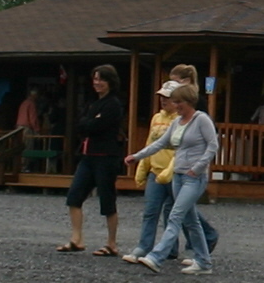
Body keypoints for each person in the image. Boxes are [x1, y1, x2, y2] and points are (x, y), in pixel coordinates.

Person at [124, 74, 220, 275]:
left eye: (178, 102)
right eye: (174, 102)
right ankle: (204, 262)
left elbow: (213, 146)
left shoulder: (201, 119)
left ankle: (156, 256)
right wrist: (137, 156)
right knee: (190, 220)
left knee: (175, 215)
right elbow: (159, 143)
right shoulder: (177, 123)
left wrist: (199, 167)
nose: (175, 106)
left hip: (194, 177)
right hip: (178, 175)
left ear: (189, 102)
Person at [62, 65, 125, 255]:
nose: (97, 83)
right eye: (95, 79)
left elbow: (95, 126)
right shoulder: (92, 104)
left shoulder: (113, 104)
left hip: (106, 158)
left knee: (107, 200)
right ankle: (76, 238)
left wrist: (90, 123)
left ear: (110, 82)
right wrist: (91, 122)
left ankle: (111, 243)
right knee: (74, 196)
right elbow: (82, 125)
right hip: (88, 157)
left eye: (101, 80)